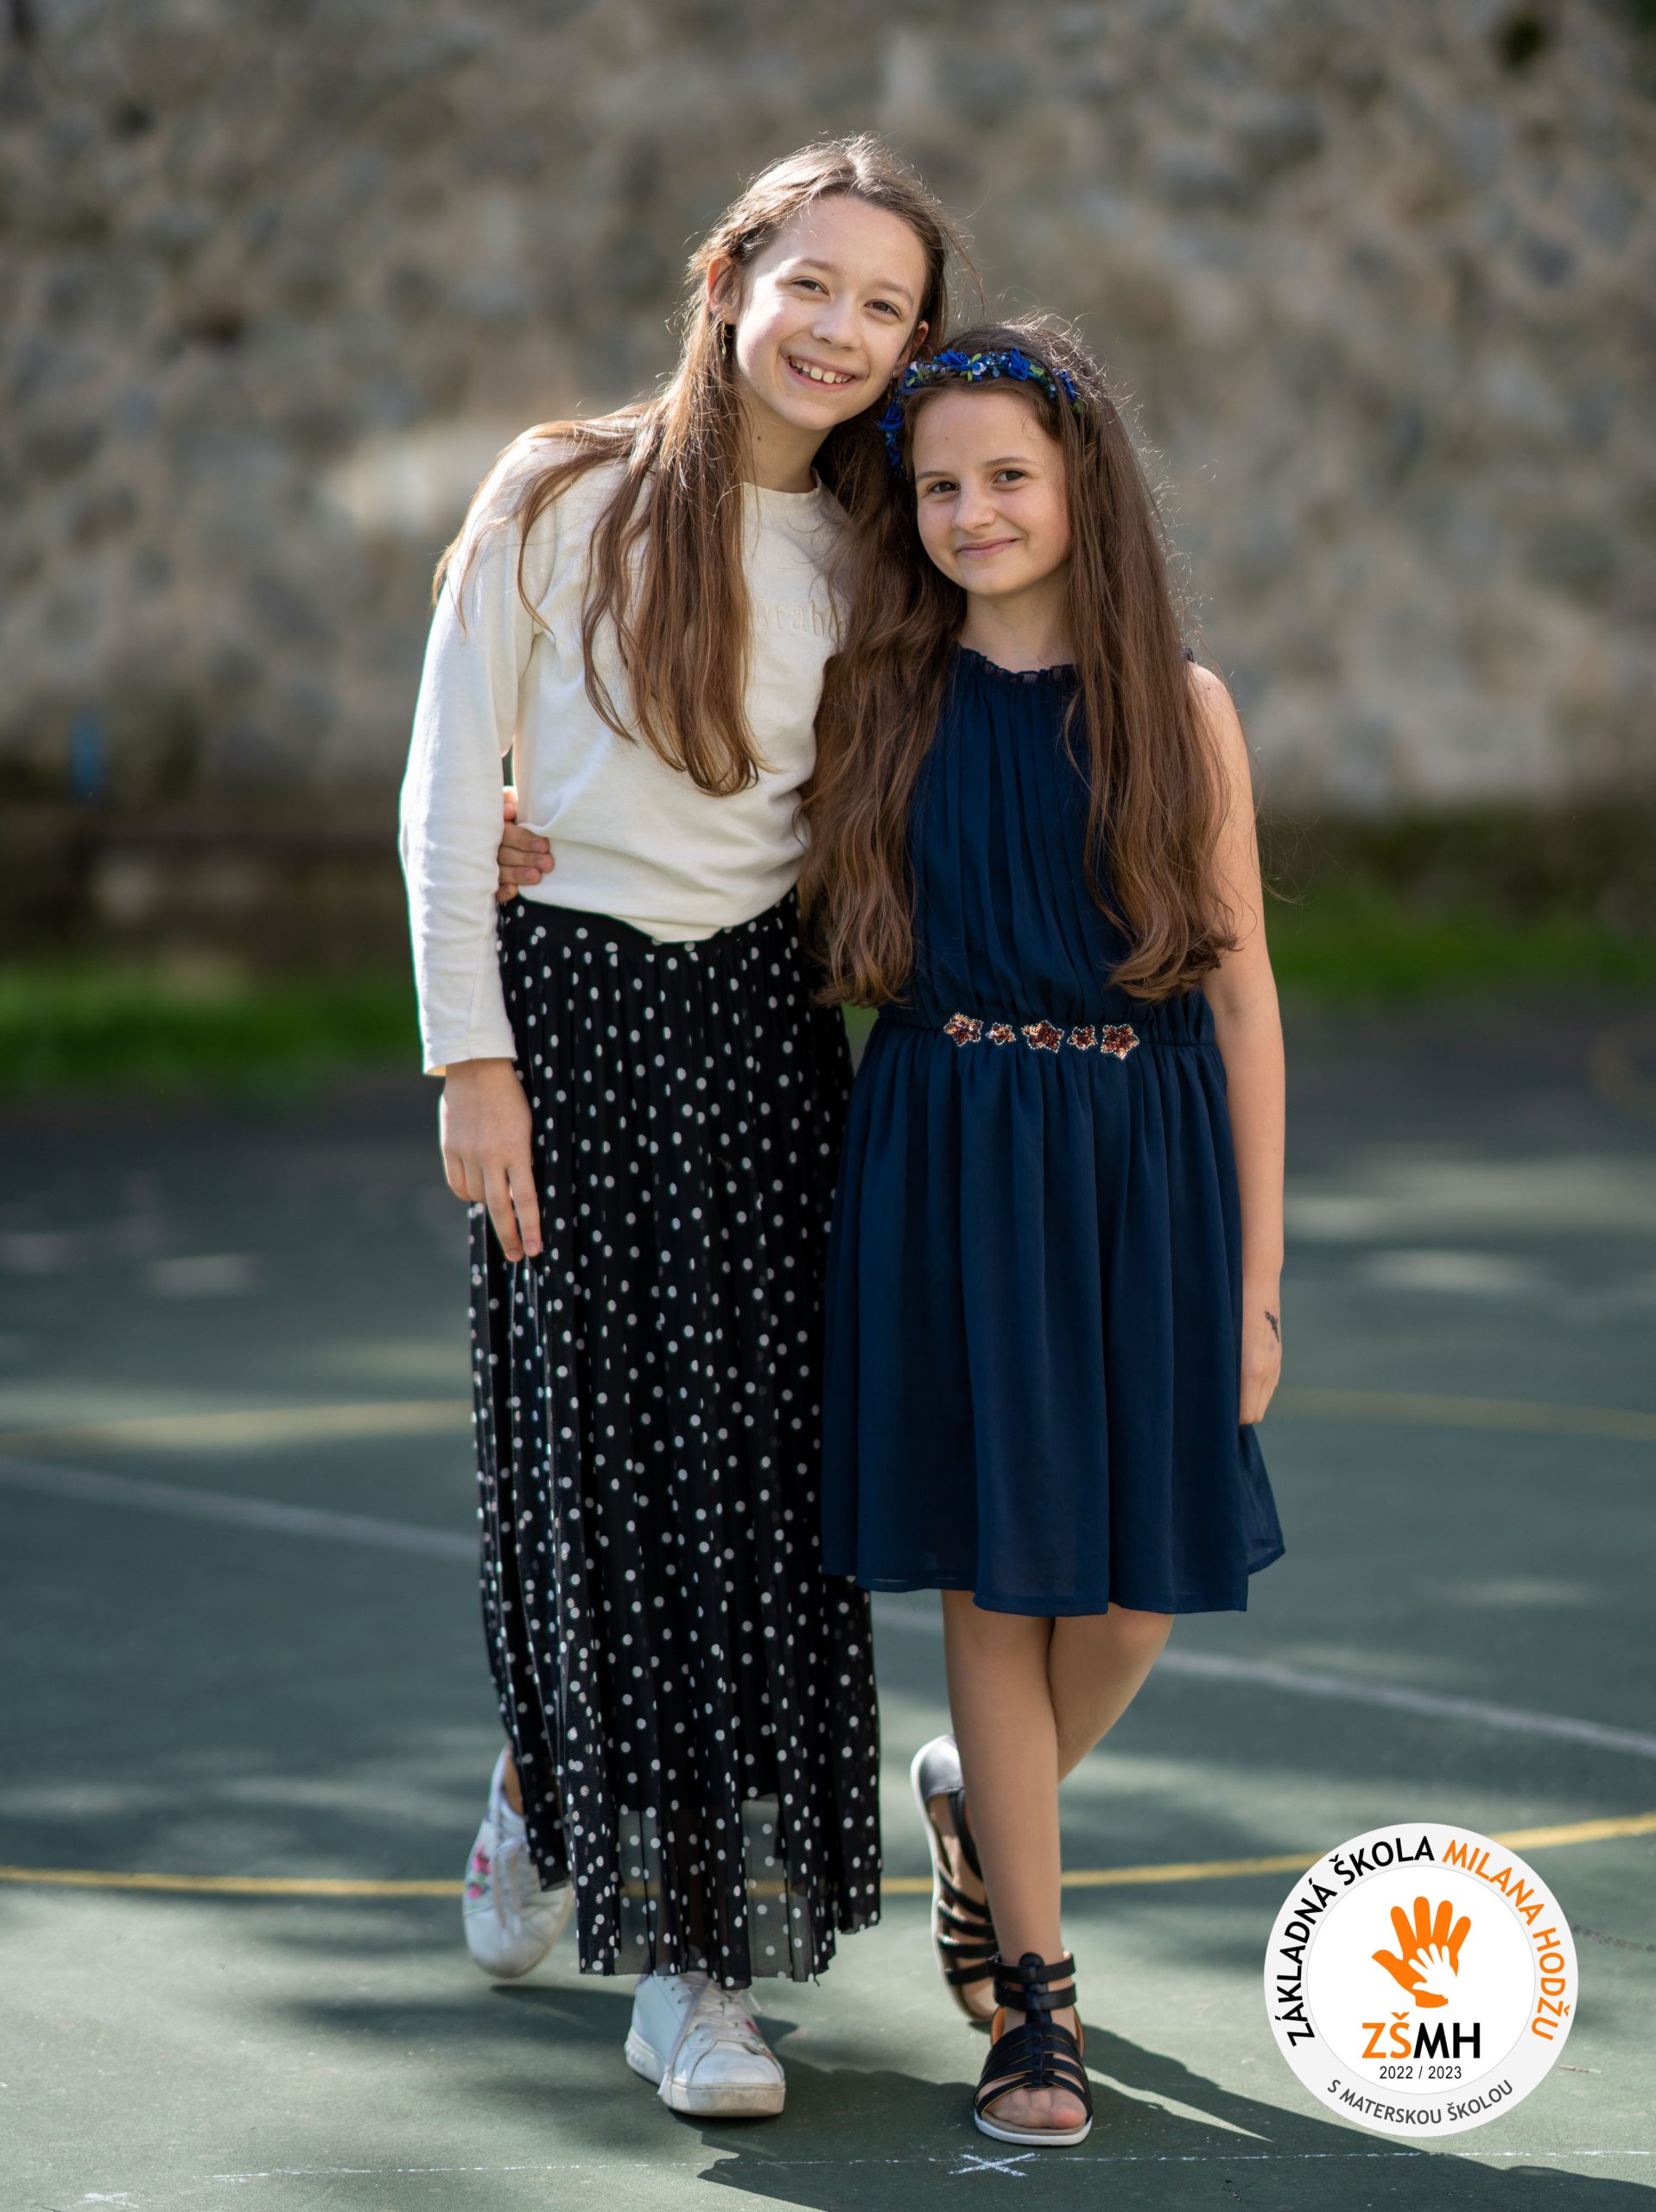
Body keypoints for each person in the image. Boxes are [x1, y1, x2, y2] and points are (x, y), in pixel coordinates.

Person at [399, 137, 964, 2119]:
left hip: (763, 1030)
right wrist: (471, 1057)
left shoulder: (882, 549)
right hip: (564, 1022)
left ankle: (697, 1952)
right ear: (728, 279)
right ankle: (576, 1815)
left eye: (886, 305)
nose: (841, 329)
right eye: (812, 281)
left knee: (759, 1496)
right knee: (597, 1471)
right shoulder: (554, 489)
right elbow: (450, 787)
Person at [799, 324, 1286, 2145]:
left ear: (1084, 483)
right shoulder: (876, 696)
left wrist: (1254, 1282)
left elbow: (1242, 1003)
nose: (972, 511)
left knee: (1135, 1594)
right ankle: (1035, 2004)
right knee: (996, 1584)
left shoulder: (1182, 708)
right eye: (938, 484)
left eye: (1006, 474)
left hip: (1144, 1165)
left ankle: (968, 1807)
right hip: (945, 1153)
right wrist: (531, 846)